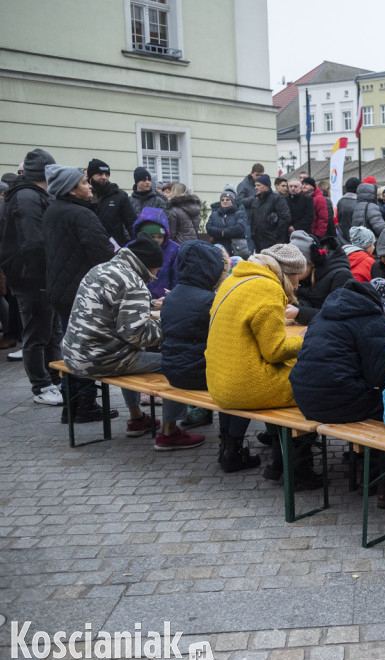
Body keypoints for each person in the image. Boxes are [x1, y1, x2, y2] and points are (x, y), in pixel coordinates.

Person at [62, 235, 204, 450]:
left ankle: (137, 419)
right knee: (176, 364)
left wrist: (151, 304)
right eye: (156, 269)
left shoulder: (101, 269)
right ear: (148, 265)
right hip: (101, 360)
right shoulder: (133, 282)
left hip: (74, 354)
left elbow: (116, 306)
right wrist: (173, 322)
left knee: (131, 350)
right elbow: (137, 335)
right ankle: (169, 432)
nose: (156, 275)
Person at [205, 243, 317, 487]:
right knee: (315, 386)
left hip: (218, 381)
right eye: (297, 278)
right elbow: (275, 351)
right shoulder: (267, 288)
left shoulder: (234, 280)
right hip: (243, 386)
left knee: (298, 373)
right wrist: (303, 340)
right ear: (286, 273)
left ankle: (278, 459)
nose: (297, 286)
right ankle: (297, 468)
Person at [160, 240, 257, 471]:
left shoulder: (171, 297)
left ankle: (226, 444)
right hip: (197, 374)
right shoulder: (209, 301)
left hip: (173, 371)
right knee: (242, 383)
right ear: (208, 268)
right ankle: (232, 449)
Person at [42, 163, 117, 422]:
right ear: (71, 190)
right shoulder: (81, 214)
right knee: (84, 347)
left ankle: (71, 405)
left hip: (61, 289)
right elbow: (103, 253)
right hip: (80, 292)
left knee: (69, 345)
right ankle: (85, 404)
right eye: (84, 182)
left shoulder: (53, 210)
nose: (90, 186)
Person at [0, 149, 62, 405]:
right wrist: (43, 280)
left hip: (38, 278)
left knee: (51, 331)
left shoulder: (32, 194)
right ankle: (42, 386)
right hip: (33, 280)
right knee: (37, 333)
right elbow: (33, 242)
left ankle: (55, 380)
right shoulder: (27, 197)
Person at [290, 278, 385, 423]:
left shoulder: (324, 313)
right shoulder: (372, 317)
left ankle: (300, 445)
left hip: (303, 398)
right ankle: (374, 446)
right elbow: (378, 376)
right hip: (338, 403)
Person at [289, 230, 354, 326]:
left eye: (297, 265)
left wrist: (299, 313)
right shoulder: (304, 278)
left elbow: (341, 314)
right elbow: (307, 302)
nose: (292, 270)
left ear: (313, 262)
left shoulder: (341, 276)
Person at [86, 158, 136, 246]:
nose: (104, 177)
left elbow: (132, 223)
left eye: (107, 174)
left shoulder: (119, 195)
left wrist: (137, 244)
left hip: (115, 248)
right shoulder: (83, 195)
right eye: (100, 174)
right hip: (89, 247)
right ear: (90, 176)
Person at [132, 208, 179, 301]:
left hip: (162, 300)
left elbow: (176, 279)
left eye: (160, 237)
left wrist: (172, 298)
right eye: (152, 237)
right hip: (137, 300)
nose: (156, 240)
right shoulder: (133, 248)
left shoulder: (173, 250)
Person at [206, 188, 252, 257]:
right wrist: (221, 232)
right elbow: (209, 227)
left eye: (227, 199)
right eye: (222, 200)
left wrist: (224, 232)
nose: (225, 201)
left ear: (232, 201)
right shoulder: (214, 214)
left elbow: (240, 228)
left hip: (235, 249)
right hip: (218, 249)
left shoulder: (239, 213)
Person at [250, 174, 291, 252]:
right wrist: (253, 235)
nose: (256, 187)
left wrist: (275, 234)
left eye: (258, 185)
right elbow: (252, 219)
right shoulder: (256, 200)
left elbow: (285, 218)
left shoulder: (277, 199)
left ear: (266, 186)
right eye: (255, 185)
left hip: (274, 243)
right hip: (259, 242)